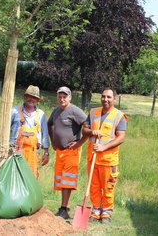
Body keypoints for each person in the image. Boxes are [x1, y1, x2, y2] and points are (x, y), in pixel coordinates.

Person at [81, 88, 128, 223]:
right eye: (103, 96)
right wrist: (91, 132)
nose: (105, 99)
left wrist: (103, 147)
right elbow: (84, 130)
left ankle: (106, 212)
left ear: (114, 99)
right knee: (94, 186)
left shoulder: (119, 116)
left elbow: (121, 138)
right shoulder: (93, 112)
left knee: (108, 187)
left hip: (108, 160)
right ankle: (96, 210)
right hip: (93, 157)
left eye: (108, 97)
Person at [47, 86, 88, 220]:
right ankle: (64, 207)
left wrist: (79, 143)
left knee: (67, 181)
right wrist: (53, 141)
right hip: (60, 151)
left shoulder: (75, 111)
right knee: (61, 181)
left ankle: (64, 209)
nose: (62, 99)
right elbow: (49, 124)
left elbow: (87, 125)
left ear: (70, 97)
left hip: (72, 151)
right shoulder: (57, 111)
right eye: (60, 96)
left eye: (65, 96)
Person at [10, 85, 50, 178]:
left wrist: (46, 153)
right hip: (15, 152)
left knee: (30, 179)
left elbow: (45, 135)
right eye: (30, 96)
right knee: (14, 178)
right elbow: (6, 129)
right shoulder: (15, 111)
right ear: (25, 96)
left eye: (35, 98)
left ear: (37, 100)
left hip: (33, 153)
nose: (32, 99)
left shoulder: (41, 114)